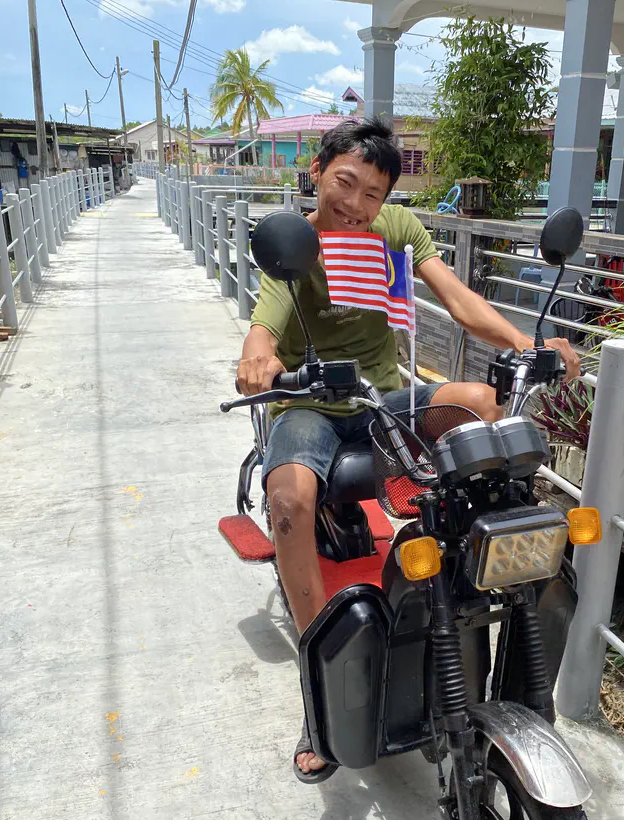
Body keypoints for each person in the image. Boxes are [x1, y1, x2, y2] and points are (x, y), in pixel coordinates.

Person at [237, 118, 579, 777]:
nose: (356, 204)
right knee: (288, 498)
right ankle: (322, 688)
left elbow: (459, 300)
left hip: (380, 400)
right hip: (311, 404)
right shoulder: (297, 242)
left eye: (373, 193)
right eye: (346, 183)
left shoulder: (397, 232)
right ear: (318, 172)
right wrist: (257, 359)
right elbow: (265, 328)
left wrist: (525, 348)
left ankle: (461, 554)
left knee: (480, 402)